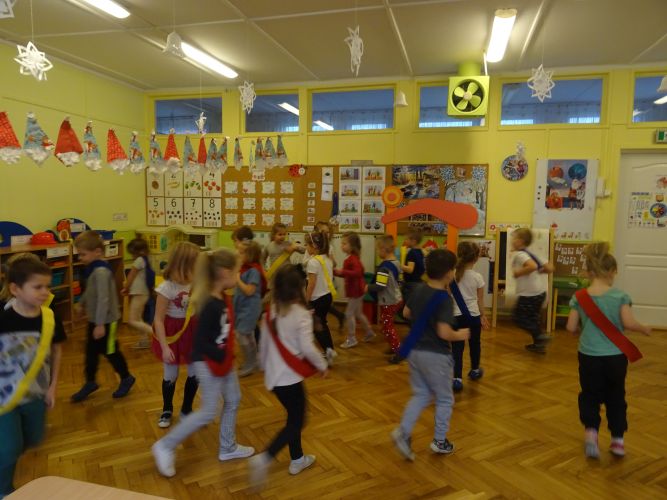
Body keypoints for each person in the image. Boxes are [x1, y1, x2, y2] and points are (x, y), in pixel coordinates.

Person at [152, 249, 255, 478]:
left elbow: (222, 331)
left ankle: (228, 447)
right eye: (236, 272)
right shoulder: (210, 304)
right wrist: (220, 357)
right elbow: (200, 343)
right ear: (224, 273)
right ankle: (165, 446)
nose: (238, 276)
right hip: (209, 363)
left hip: (223, 360)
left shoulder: (222, 297)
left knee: (233, 399)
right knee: (208, 411)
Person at [566, 242, 651, 459]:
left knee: (589, 394)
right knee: (616, 395)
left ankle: (591, 434)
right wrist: (643, 328)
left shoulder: (579, 297)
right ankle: (617, 441)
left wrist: (581, 331)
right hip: (615, 357)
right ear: (612, 271)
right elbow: (629, 323)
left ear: (589, 272)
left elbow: (570, 327)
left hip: (588, 356)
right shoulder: (620, 296)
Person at [249, 265, 328, 490]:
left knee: (293, 417)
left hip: (274, 379)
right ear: (298, 289)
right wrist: (322, 364)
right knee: (298, 421)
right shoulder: (301, 315)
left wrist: (262, 365)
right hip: (290, 379)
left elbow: (263, 344)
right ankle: (265, 457)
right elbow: (308, 348)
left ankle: (297, 458)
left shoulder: (271, 311)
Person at [391, 249, 470, 461]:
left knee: (421, 394)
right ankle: (440, 441)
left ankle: (403, 432)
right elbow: (444, 332)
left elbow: (406, 313)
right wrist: (461, 334)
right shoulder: (444, 299)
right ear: (449, 273)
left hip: (415, 351)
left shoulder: (418, 289)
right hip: (436, 356)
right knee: (445, 399)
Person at [0, 257, 65, 498]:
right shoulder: (3, 318)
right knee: (9, 449)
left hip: (36, 393)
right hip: (4, 395)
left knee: (34, 438)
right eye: (38, 287)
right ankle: (4, 490)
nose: (45, 292)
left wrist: (53, 386)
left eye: (47, 286)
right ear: (15, 289)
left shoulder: (50, 317)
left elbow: (57, 350)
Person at [71, 231, 135, 402]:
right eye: (79, 254)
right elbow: (91, 291)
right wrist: (81, 303)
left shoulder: (101, 271)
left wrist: (100, 324)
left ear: (97, 252)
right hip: (96, 320)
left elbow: (103, 299)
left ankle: (126, 377)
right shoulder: (93, 268)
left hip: (106, 321)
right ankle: (90, 382)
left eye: (83, 254)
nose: (80, 258)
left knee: (111, 351)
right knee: (90, 352)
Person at [152, 241, 200, 428]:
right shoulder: (167, 287)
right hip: (172, 334)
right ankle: (167, 408)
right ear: (183, 265)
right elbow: (158, 320)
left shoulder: (196, 282)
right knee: (170, 374)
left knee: (195, 373)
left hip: (193, 332)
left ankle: (187, 408)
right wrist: (165, 347)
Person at [450, 241, 490, 392]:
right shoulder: (477, 277)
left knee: (457, 348)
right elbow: (480, 299)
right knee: (475, 344)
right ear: (476, 258)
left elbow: (447, 296)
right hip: (473, 316)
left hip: (456, 316)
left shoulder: (452, 275)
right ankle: (474, 370)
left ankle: (457, 379)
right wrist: (483, 315)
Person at [510, 228, 553, 354]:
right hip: (539, 293)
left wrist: (518, 273)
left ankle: (540, 336)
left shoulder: (520, 255)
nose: (512, 241)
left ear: (520, 241)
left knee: (518, 318)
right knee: (533, 319)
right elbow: (550, 268)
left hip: (529, 294)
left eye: (514, 238)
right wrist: (542, 269)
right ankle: (539, 344)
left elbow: (532, 266)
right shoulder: (531, 254)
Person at [333, 232, 374, 348]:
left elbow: (358, 272)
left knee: (349, 314)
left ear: (352, 246)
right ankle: (369, 332)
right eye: (341, 243)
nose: (341, 246)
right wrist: (337, 272)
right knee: (358, 314)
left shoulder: (353, 259)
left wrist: (342, 271)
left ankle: (351, 338)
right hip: (357, 290)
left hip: (356, 291)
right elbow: (349, 274)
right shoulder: (350, 258)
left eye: (344, 243)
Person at [367, 235, 402, 363]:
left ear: (383, 249)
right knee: (387, 325)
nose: (377, 252)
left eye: (377, 249)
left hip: (389, 301)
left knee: (387, 326)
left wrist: (367, 287)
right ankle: (393, 346)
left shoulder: (384, 268)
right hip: (396, 298)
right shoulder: (396, 262)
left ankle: (399, 351)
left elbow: (379, 286)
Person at [304, 231, 337, 365]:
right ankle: (330, 350)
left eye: (307, 244)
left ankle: (329, 352)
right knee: (322, 323)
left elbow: (311, 284)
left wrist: (306, 300)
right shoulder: (327, 258)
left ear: (314, 246)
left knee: (316, 327)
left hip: (317, 299)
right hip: (327, 296)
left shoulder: (313, 262)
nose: (306, 247)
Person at [234, 241, 266, 377]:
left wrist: (237, 279)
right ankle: (253, 362)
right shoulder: (245, 268)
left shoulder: (253, 270)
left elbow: (249, 291)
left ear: (250, 255)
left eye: (241, 252)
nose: (238, 254)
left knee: (242, 334)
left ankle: (250, 364)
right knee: (248, 334)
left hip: (250, 308)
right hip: (243, 307)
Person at [121, 238, 155, 349]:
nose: (132, 256)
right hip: (143, 293)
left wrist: (125, 288)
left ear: (139, 252)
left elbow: (130, 276)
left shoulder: (139, 260)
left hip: (140, 294)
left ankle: (158, 335)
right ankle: (144, 341)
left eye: (133, 253)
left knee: (132, 320)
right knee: (138, 318)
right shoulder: (147, 259)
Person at [315, 221, 345, 331]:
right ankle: (337, 316)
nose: (325, 234)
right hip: (318, 277)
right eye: (323, 232)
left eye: (327, 232)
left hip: (326, 279)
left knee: (322, 302)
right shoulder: (314, 245)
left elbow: (334, 263)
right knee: (322, 303)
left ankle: (323, 322)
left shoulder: (329, 247)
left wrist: (329, 262)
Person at [400, 228, 425, 305]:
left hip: (411, 284)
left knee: (409, 306)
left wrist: (400, 266)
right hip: (419, 282)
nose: (405, 241)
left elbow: (410, 269)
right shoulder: (420, 251)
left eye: (406, 239)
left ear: (413, 241)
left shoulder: (412, 252)